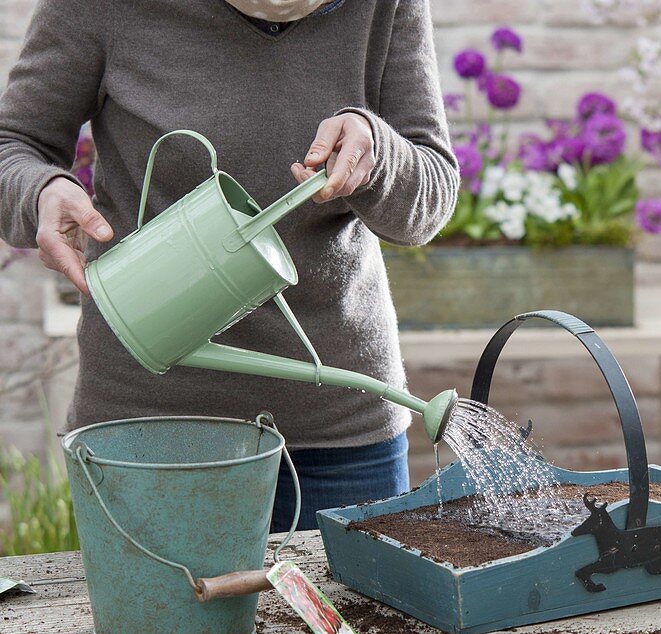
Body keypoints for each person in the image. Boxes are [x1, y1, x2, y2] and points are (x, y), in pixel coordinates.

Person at [0, 0, 459, 531]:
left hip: (343, 436)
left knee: (352, 617)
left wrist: (378, 152)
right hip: (149, 433)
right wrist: (40, 192)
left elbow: (430, 195)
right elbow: (14, 144)